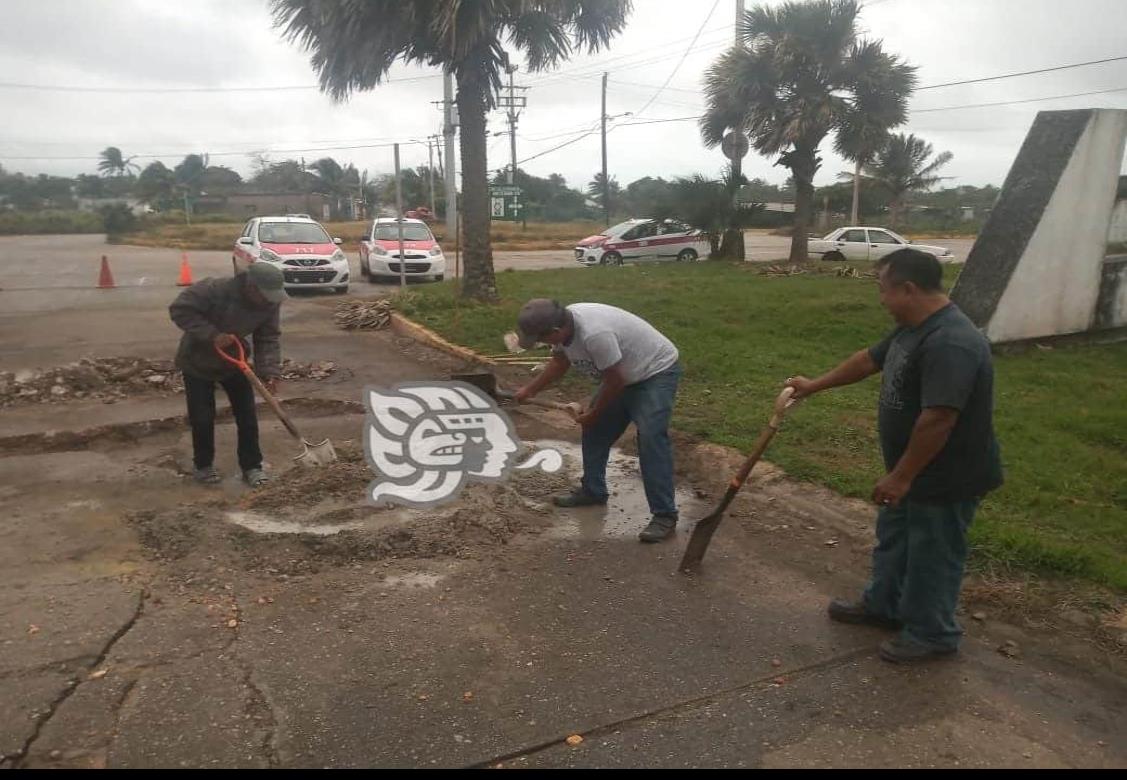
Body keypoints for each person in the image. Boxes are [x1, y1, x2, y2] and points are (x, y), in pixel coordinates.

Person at [786, 249, 1003, 663]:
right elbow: (868, 361)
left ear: (908, 289)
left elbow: (939, 418)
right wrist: (815, 385)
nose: (881, 299)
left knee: (932, 554)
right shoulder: (912, 328)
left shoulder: (951, 341)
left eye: (884, 291)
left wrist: (902, 477)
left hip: (945, 475)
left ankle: (932, 632)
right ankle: (883, 606)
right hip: (912, 469)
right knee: (896, 540)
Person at [513, 299, 683, 543]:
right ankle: (593, 491)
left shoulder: (595, 334)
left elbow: (615, 382)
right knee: (594, 431)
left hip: (654, 372)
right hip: (622, 374)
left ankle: (665, 515)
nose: (541, 344)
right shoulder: (563, 329)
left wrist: (594, 412)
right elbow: (560, 362)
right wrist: (530, 390)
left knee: (650, 437)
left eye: (541, 339)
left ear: (555, 331)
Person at [169, 262, 287, 487]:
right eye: (265, 295)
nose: (268, 301)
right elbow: (179, 309)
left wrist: (269, 371)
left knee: (247, 417)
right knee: (202, 418)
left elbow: (268, 337)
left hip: (235, 361)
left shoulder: (270, 303)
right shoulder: (213, 290)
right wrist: (212, 335)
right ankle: (203, 466)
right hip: (197, 360)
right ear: (251, 287)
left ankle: (252, 466)